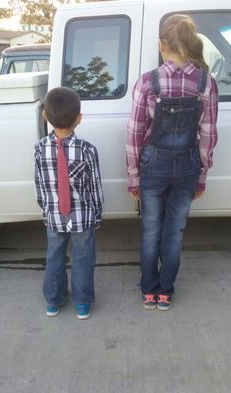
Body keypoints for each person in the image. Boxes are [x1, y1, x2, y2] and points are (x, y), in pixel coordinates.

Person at [126, 14, 218, 311]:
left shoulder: (148, 82)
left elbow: (135, 134)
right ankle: (166, 292)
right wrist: (202, 175)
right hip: (188, 164)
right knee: (175, 230)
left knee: (151, 228)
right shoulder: (206, 83)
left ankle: (148, 291)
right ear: (192, 44)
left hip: (154, 165)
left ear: (161, 45)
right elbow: (208, 135)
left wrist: (133, 178)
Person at [34, 87, 104, 319]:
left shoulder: (39, 149)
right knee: (83, 258)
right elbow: (95, 186)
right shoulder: (87, 150)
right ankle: (82, 303)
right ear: (79, 118)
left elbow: (40, 184)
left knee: (54, 256)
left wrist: (45, 210)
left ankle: (53, 302)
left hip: (54, 216)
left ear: (45, 116)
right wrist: (97, 214)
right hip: (83, 217)